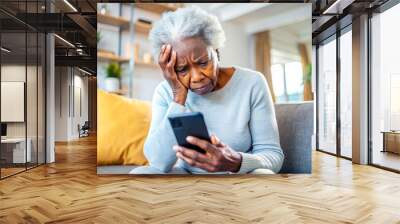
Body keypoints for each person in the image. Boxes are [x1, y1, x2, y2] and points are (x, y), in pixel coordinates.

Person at [130, 6, 284, 174]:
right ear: (170, 69)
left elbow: (273, 156)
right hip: (188, 180)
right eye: (182, 69)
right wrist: (178, 98)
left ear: (216, 51)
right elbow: (158, 163)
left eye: (203, 62)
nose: (196, 77)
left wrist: (235, 162)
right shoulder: (165, 92)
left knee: (264, 175)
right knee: (141, 173)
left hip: (238, 178)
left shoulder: (252, 83)